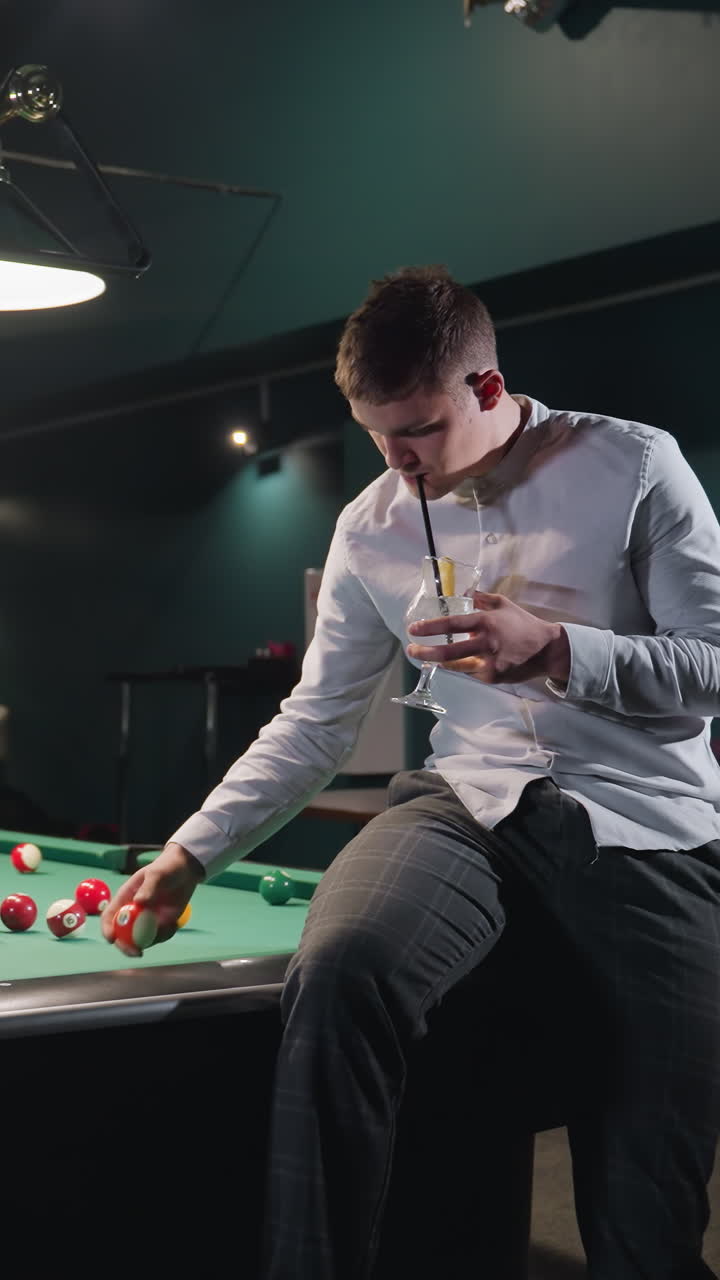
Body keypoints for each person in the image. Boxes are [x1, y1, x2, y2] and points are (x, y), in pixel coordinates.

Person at [103, 266, 720, 1279]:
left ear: (486, 387)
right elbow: (315, 722)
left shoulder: (636, 464)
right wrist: (190, 851)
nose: (398, 461)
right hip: (463, 804)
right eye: (376, 434)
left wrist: (560, 650)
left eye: (420, 430)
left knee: (649, 1212)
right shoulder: (371, 523)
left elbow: (712, 669)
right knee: (338, 964)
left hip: (645, 820)